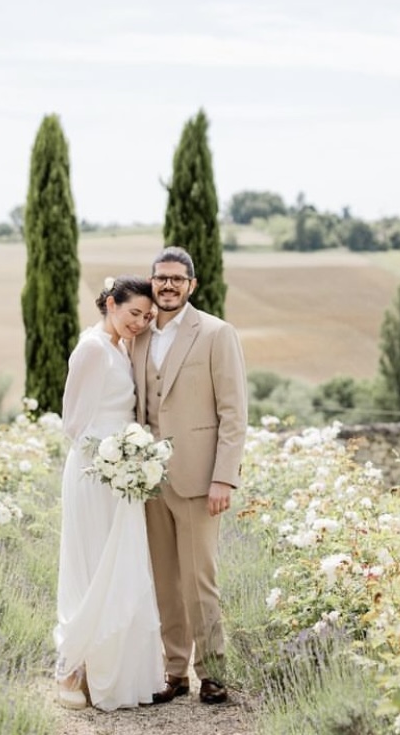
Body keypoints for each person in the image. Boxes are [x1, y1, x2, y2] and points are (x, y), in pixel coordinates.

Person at [130, 246, 248, 705]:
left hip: (200, 480)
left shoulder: (217, 333)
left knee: (200, 581)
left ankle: (213, 672)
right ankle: (175, 672)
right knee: (164, 581)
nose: (168, 285)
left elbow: (233, 413)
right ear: (152, 281)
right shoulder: (139, 335)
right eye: (161, 278)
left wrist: (224, 477)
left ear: (192, 285)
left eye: (177, 279)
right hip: (150, 481)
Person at [54, 275, 165, 711]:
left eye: (147, 317)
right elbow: (73, 424)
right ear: (111, 304)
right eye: (134, 312)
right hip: (93, 472)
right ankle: (70, 668)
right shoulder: (92, 349)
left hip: (124, 475)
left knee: (122, 566)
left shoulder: (122, 348)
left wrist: (131, 460)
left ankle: (116, 671)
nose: (140, 322)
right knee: (91, 565)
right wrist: (108, 458)